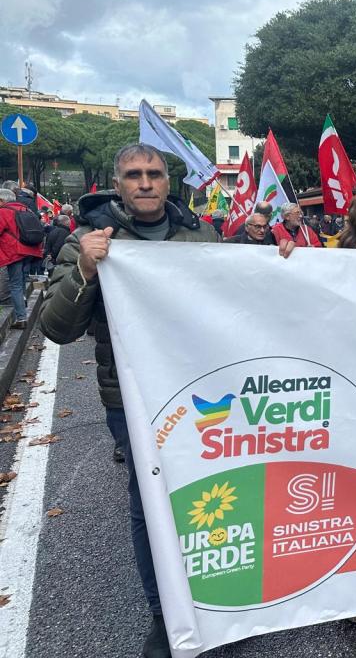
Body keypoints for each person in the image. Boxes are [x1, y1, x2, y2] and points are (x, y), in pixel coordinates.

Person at [38, 142, 221, 658]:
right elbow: (56, 328)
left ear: (170, 182)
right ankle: (166, 618)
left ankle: (223, 597)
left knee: (209, 494)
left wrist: (273, 252)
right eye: (134, 175)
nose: (145, 183)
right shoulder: (86, 242)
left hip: (199, 390)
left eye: (155, 174)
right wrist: (86, 274)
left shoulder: (200, 233)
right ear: (117, 185)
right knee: (152, 502)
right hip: (132, 399)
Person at [0, 187, 44, 328]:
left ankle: (21, 318)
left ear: (2, 200)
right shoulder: (25, 209)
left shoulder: (3, 212)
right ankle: (22, 303)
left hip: (15, 252)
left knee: (15, 284)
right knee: (21, 281)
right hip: (30, 250)